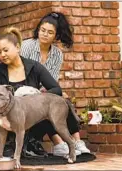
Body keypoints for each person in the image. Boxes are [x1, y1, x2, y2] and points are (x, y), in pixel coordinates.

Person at [0, 26, 80, 158]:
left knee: (56, 102)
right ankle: (16, 147)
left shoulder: (34, 67)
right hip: (10, 118)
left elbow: (56, 89)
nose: (2, 55)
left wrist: (36, 96)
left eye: (5, 50)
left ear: (18, 47)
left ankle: (70, 143)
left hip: (33, 118)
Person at [20, 12, 90, 157]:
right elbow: (21, 74)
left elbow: (51, 80)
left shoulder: (57, 54)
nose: (45, 34)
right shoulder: (26, 46)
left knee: (61, 100)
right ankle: (58, 142)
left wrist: (52, 92)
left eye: (50, 32)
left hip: (44, 91)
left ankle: (76, 140)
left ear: (56, 36)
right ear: (38, 29)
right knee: (47, 103)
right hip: (25, 91)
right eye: (43, 30)